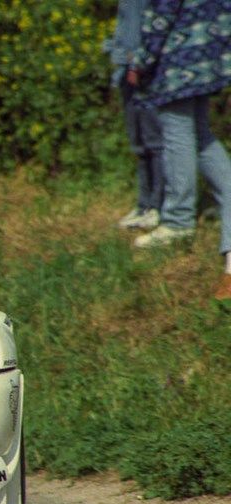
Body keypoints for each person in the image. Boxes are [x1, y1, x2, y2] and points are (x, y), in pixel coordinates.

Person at [128, 0, 231, 299]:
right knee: (198, 134)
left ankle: (178, 219)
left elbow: (161, 15)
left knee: (178, 134)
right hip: (208, 52)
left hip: (180, 56)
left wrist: (140, 61)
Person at [105, 0, 164, 230]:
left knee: (155, 141)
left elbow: (149, 27)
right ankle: (144, 204)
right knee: (139, 144)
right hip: (126, 68)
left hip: (143, 69)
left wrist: (135, 63)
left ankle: (158, 206)